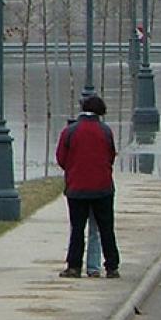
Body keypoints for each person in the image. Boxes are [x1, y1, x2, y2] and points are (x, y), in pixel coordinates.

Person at [55, 95, 120, 279]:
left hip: (77, 189)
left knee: (77, 228)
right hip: (103, 188)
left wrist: (73, 170)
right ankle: (111, 266)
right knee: (105, 229)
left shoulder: (70, 131)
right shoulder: (105, 131)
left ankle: (74, 266)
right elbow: (111, 155)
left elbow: (61, 158)